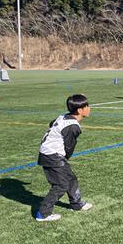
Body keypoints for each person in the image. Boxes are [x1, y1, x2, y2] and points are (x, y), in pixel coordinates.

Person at [36, 94, 94, 222]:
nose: (89, 108)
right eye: (87, 106)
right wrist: (64, 158)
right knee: (61, 185)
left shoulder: (63, 116)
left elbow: (51, 124)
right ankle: (43, 213)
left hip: (49, 153)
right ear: (80, 110)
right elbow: (69, 147)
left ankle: (76, 204)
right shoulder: (73, 127)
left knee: (70, 178)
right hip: (52, 156)